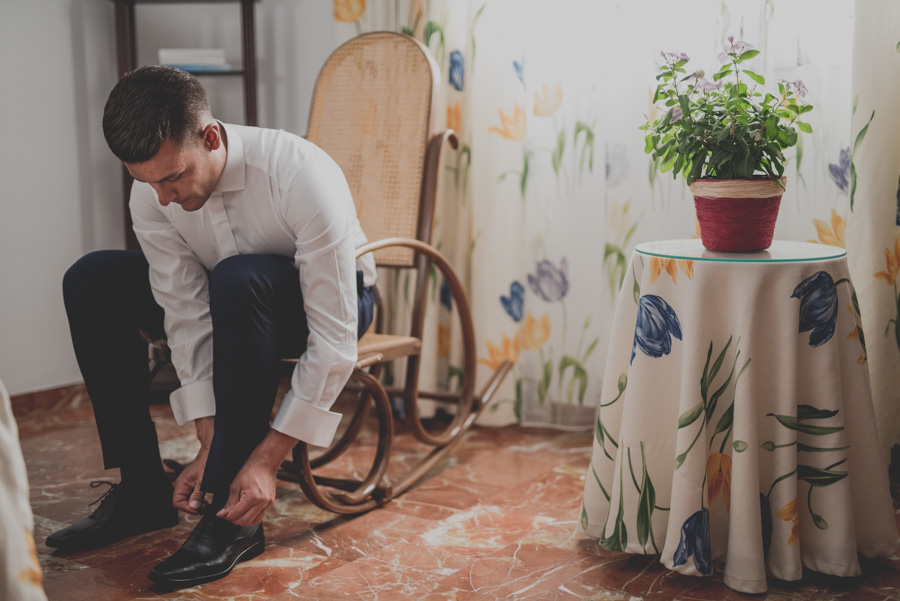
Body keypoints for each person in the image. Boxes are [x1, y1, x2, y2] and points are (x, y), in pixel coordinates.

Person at [46, 65, 376, 589]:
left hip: (327, 306)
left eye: (173, 177)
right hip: (226, 300)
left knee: (238, 278)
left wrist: (267, 459)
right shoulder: (152, 193)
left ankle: (231, 516)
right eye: (147, 182)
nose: (163, 198)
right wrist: (207, 430)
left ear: (212, 136)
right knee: (92, 278)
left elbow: (334, 337)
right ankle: (141, 490)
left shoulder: (300, 174)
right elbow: (183, 307)